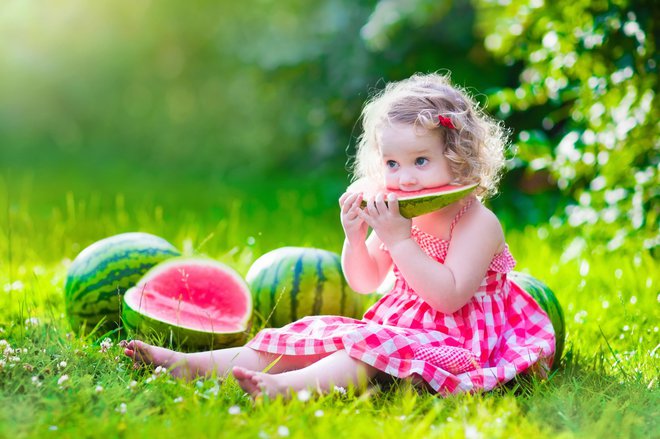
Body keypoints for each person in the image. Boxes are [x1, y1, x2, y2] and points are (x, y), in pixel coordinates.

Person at [124, 72, 556, 398]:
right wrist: (356, 238)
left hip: (461, 346)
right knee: (311, 332)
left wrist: (401, 240)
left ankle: (286, 390)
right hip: (397, 330)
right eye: (392, 164)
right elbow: (365, 282)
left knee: (362, 352)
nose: (404, 179)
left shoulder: (477, 222)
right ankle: (188, 364)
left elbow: (449, 297)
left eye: (421, 161)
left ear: (458, 158)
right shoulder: (398, 212)